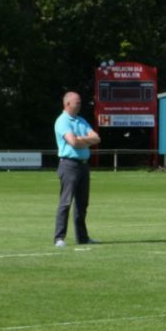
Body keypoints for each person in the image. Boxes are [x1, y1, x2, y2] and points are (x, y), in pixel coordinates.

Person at [53, 91, 101, 247]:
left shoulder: (81, 120)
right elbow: (73, 142)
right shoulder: (62, 121)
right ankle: (59, 238)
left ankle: (82, 238)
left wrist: (80, 139)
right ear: (68, 104)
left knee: (82, 203)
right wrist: (86, 140)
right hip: (69, 165)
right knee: (66, 202)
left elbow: (97, 138)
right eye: (77, 102)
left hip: (83, 165)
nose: (80, 105)